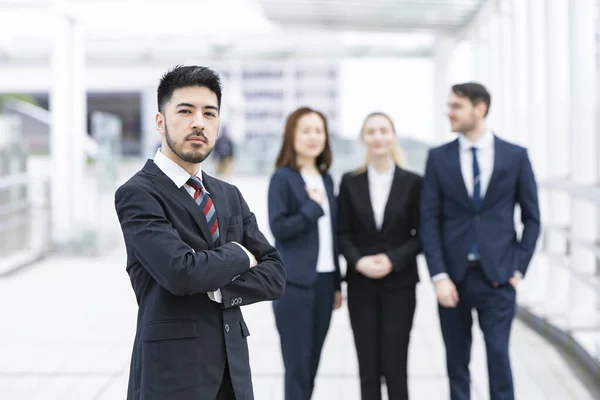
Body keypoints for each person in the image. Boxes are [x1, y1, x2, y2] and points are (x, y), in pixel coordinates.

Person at [114, 65, 286, 400]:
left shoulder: (228, 194)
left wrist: (218, 287)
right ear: (160, 121)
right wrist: (240, 255)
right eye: (185, 111)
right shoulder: (138, 193)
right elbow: (180, 273)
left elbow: (276, 274)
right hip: (172, 375)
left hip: (232, 372)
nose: (199, 122)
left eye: (209, 113)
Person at [420, 82, 540, 400]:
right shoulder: (438, 158)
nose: (449, 112)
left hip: (499, 277)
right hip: (452, 279)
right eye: (449, 106)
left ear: (480, 108)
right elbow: (428, 221)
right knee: (457, 364)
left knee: (499, 359)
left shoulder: (515, 156)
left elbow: (532, 219)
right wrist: (438, 276)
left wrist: (518, 269)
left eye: (456, 106)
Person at [337, 112, 421, 400]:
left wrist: (393, 260)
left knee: (396, 363)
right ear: (363, 139)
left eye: (383, 130)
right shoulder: (350, 182)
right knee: (367, 365)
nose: (377, 136)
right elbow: (342, 232)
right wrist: (358, 261)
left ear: (393, 136)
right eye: (371, 131)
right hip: (361, 285)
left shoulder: (412, 182)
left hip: (400, 283)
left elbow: (420, 235)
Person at [268, 106, 343, 400]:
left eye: (318, 131)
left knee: (312, 364)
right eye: (306, 130)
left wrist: (337, 282)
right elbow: (279, 228)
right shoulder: (283, 178)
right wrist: (312, 209)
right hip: (294, 284)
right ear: (292, 136)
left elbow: (332, 237)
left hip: (325, 283)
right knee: (297, 366)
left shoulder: (326, 179)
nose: (313, 137)